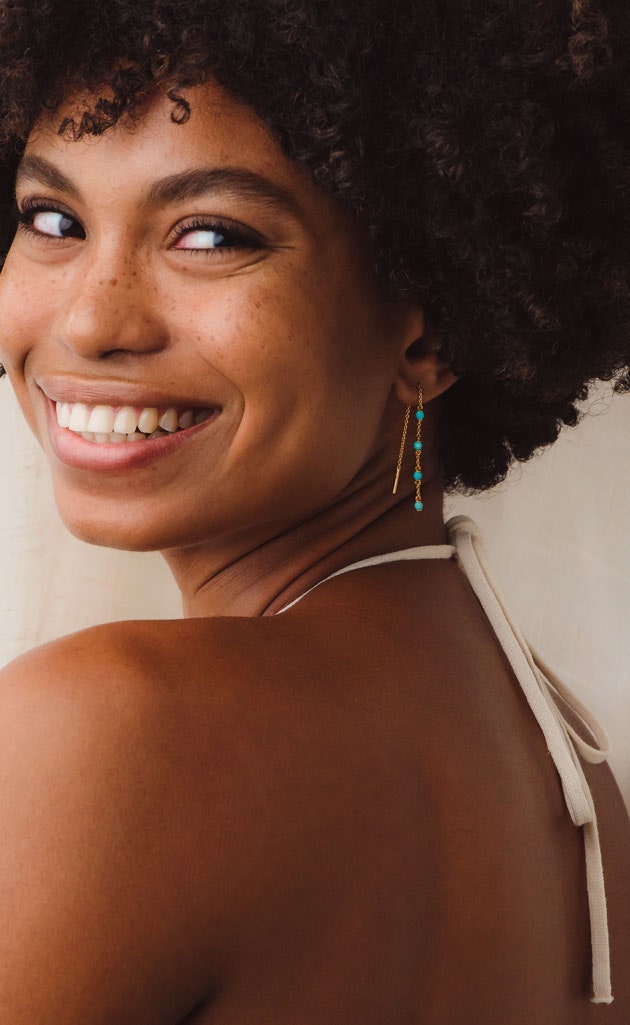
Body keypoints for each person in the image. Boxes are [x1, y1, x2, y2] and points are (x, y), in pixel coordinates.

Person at [0, 0, 628, 1021]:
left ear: (430, 334)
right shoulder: (568, 773)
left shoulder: (115, 731)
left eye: (211, 234)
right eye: (52, 219)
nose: (91, 317)